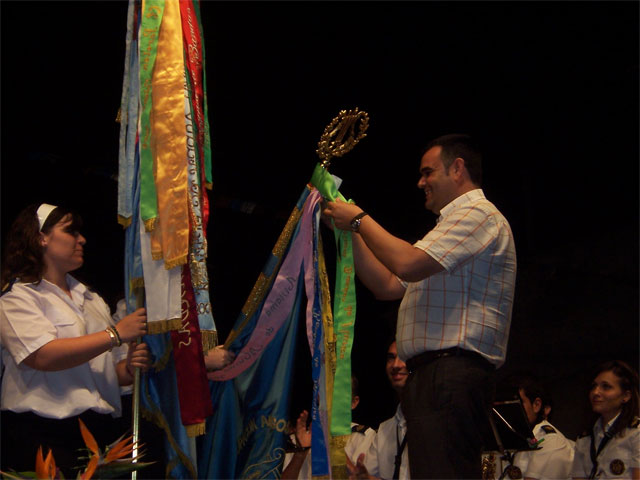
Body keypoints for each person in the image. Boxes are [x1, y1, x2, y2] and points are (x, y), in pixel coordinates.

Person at [323, 134, 517, 479]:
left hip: (452, 373)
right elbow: (386, 285)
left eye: (428, 173)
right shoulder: (447, 229)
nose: (420, 182)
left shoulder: (477, 214)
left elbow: (406, 264)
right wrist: (348, 230)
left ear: (457, 169)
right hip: (434, 376)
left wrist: (358, 219)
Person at [0, 203, 150, 477]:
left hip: (98, 432)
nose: (82, 239)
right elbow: (42, 355)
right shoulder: (18, 296)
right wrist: (114, 335)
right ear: (40, 237)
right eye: (71, 232)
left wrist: (127, 370)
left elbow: (104, 373)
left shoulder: (92, 299)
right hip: (44, 433)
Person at [282, 376, 375, 479]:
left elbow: (361, 477)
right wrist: (300, 453)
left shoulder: (362, 436)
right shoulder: (299, 438)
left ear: (353, 402)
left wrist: (329, 442)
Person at [348, 339, 411, 480]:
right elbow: (369, 476)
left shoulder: (437, 421)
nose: (395, 365)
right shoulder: (385, 430)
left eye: (403, 357)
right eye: (391, 358)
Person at [498, 373, 575, 479]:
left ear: (536, 405)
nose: (508, 408)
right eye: (503, 402)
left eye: (516, 402)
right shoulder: (505, 437)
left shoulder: (551, 440)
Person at [571, 360, 639, 479]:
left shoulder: (636, 433)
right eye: (594, 386)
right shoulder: (585, 438)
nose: (596, 392)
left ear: (626, 396)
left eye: (606, 387)